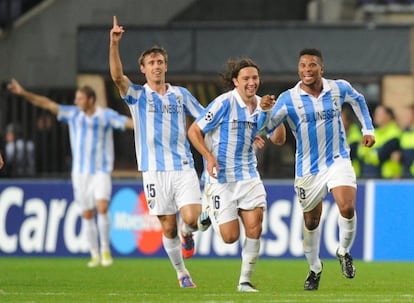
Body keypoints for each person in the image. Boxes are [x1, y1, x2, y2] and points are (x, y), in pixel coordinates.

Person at [258, 48, 376, 291]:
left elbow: (359, 100)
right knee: (311, 221)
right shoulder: (288, 98)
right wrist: (265, 111)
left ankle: (343, 252)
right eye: (302, 66)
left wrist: (368, 129)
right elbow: (272, 134)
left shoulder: (338, 88)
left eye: (311, 65)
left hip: (337, 159)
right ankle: (314, 268)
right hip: (308, 169)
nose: (306, 70)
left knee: (347, 205)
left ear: (321, 68)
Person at [109, 16, 210, 289]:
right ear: (143, 69)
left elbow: (205, 119)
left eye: (160, 62)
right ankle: (182, 272)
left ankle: (188, 233)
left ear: (166, 66)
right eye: (151, 63)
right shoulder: (138, 96)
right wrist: (114, 43)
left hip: (183, 166)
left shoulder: (181, 94)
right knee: (167, 228)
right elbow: (117, 76)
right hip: (153, 170)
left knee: (190, 218)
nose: (156, 66)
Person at [7, 79, 134, 267]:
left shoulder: (105, 116)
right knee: (87, 213)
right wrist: (23, 93)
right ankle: (94, 254)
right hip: (80, 173)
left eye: (80, 98)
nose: (76, 102)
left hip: (100, 171)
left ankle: (106, 250)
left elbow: (128, 123)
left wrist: (148, 125)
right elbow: (46, 104)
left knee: (102, 208)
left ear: (91, 100)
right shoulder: (73, 114)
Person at [188, 58, 286, 292]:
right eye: (246, 79)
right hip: (220, 178)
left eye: (254, 78)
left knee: (255, 226)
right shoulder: (223, 103)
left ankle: (244, 281)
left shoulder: (263, 104)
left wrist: (272, 113)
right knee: (230, 237)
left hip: (248, 175)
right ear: (235, 81)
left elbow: (280, 139)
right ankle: (209, 210)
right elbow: (194, 131)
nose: (251, 83)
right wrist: (209, 158)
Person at [358, 105, 401, 179]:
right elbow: (360, 152)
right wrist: (373, 155)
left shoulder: (394, 133)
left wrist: (369, 155)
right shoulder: (374, 132)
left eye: (379, 114)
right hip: (369, 174)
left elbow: (381, 154)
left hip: (388, 176)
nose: (375, 116)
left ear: (388, 116)